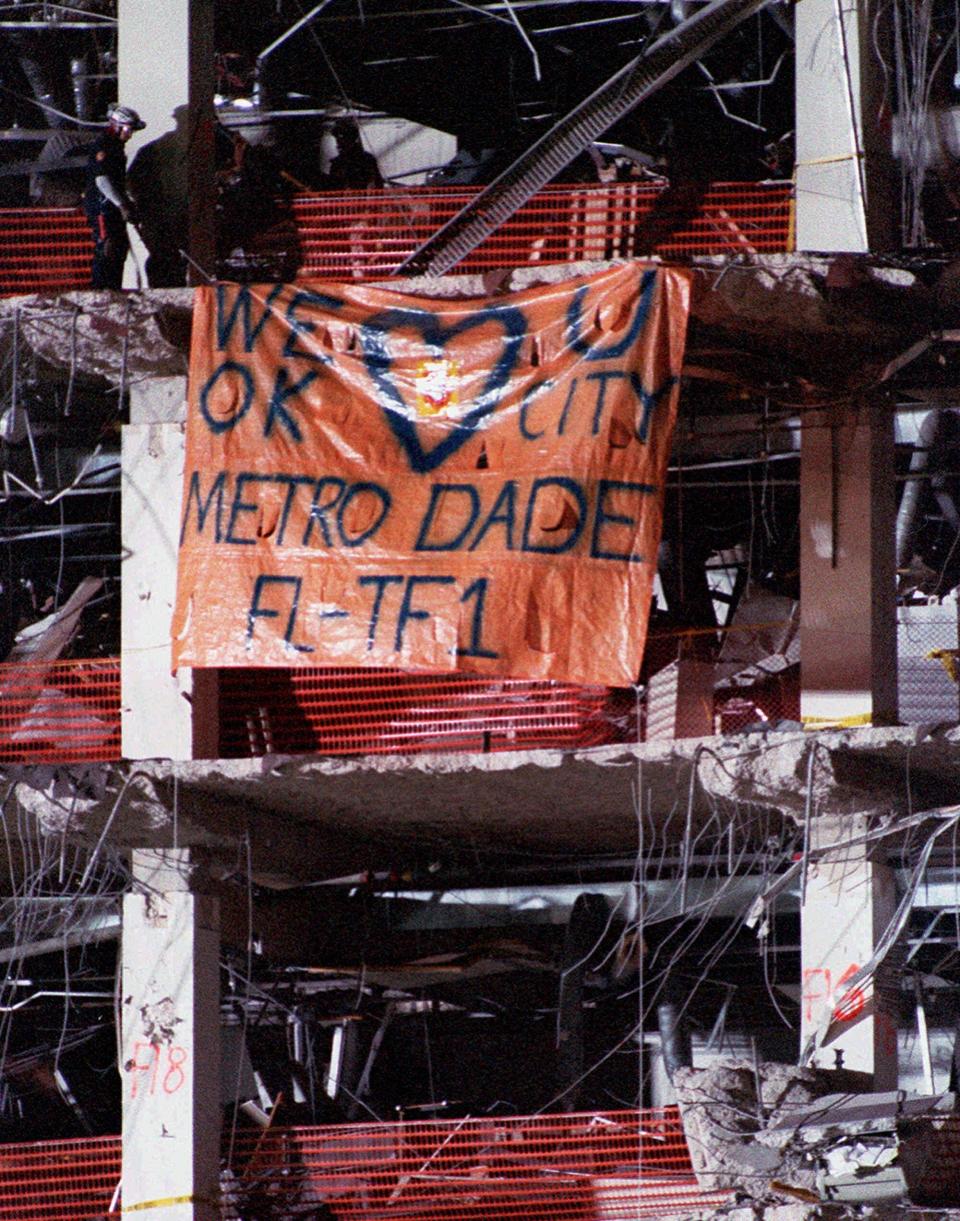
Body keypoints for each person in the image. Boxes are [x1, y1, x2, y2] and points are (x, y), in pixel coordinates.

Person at [84, 103, 145, 289]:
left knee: (119, 248)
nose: (129, 133)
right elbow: (102, 180)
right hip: (103, 209)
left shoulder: (117, 148)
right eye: (127, 129)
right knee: (107, 248)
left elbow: (118, 181)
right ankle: (101, 292)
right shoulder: (104, 146)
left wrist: (127, 202)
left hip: (113, 209)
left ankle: (114, 290)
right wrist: (122, 205)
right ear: (116, 125)